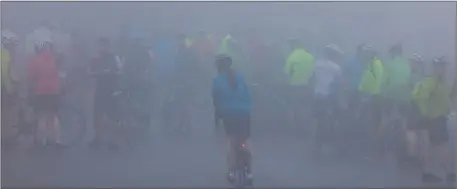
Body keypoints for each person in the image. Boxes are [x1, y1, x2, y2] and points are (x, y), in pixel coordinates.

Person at [412, 57, 454, 183]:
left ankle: (427, 173)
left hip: (439, 118)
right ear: (435, 67)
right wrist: (426, 113)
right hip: (435, 119)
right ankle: (449, 173)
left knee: (430, 147)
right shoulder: (431, 81)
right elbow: (418, 97)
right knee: (442, 148)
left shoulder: (441, 82)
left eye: (444, 66)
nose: (443, 68)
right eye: (440, 66)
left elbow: (446, 98)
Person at [212, 54, 252, 184]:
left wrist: (217, 117)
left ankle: (231, 172)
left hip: (229, 115)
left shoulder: (217, 81)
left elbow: (216, 101)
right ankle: (249, 172)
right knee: (244, 141)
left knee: (231, 141)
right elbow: (247, 94)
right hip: (244, 113)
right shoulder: (239, 77)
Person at [88, 37, 122, 148]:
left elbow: (120, 71)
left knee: (112, 115)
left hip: (111, 89)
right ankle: (98, 138)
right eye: (101, 45)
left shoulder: (114, 58)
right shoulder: (95, 58)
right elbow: (90, 72)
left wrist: (110, 72)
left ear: (108, 46)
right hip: (100, 89)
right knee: (97, 115)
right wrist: (98, 73)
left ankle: (113, 141)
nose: (103, 48)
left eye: (105, 45)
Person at [27, 40, 62, 148]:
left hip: (41, 91)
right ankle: (57, 140)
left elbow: (31, 77)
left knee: (42, 116)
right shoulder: (53, 59)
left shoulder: (35, 60)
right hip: (54, 91)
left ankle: (43, 140)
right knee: (54, 116)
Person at [311, 44, 344, 154]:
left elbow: (312, 77)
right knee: (332, 119)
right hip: (329, 96)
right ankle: (332, 142)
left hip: (317, 94)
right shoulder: (335, 67)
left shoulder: (317, 64)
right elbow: (339, 83)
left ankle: (317, 144)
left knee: (317, 120)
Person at [283, 38, 315, 129]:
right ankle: (306, 127)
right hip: (308, 87)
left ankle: (296, 128)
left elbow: (286, 73)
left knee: (294, 107)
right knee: (306, 108)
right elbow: (313, 73)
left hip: (295, 87)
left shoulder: (292, 56)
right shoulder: (310, 56)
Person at [1, 30, 20, 146]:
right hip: (4, 88)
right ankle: (5, 136)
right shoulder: (6, 54)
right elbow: (9, 74)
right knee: (6, 112)